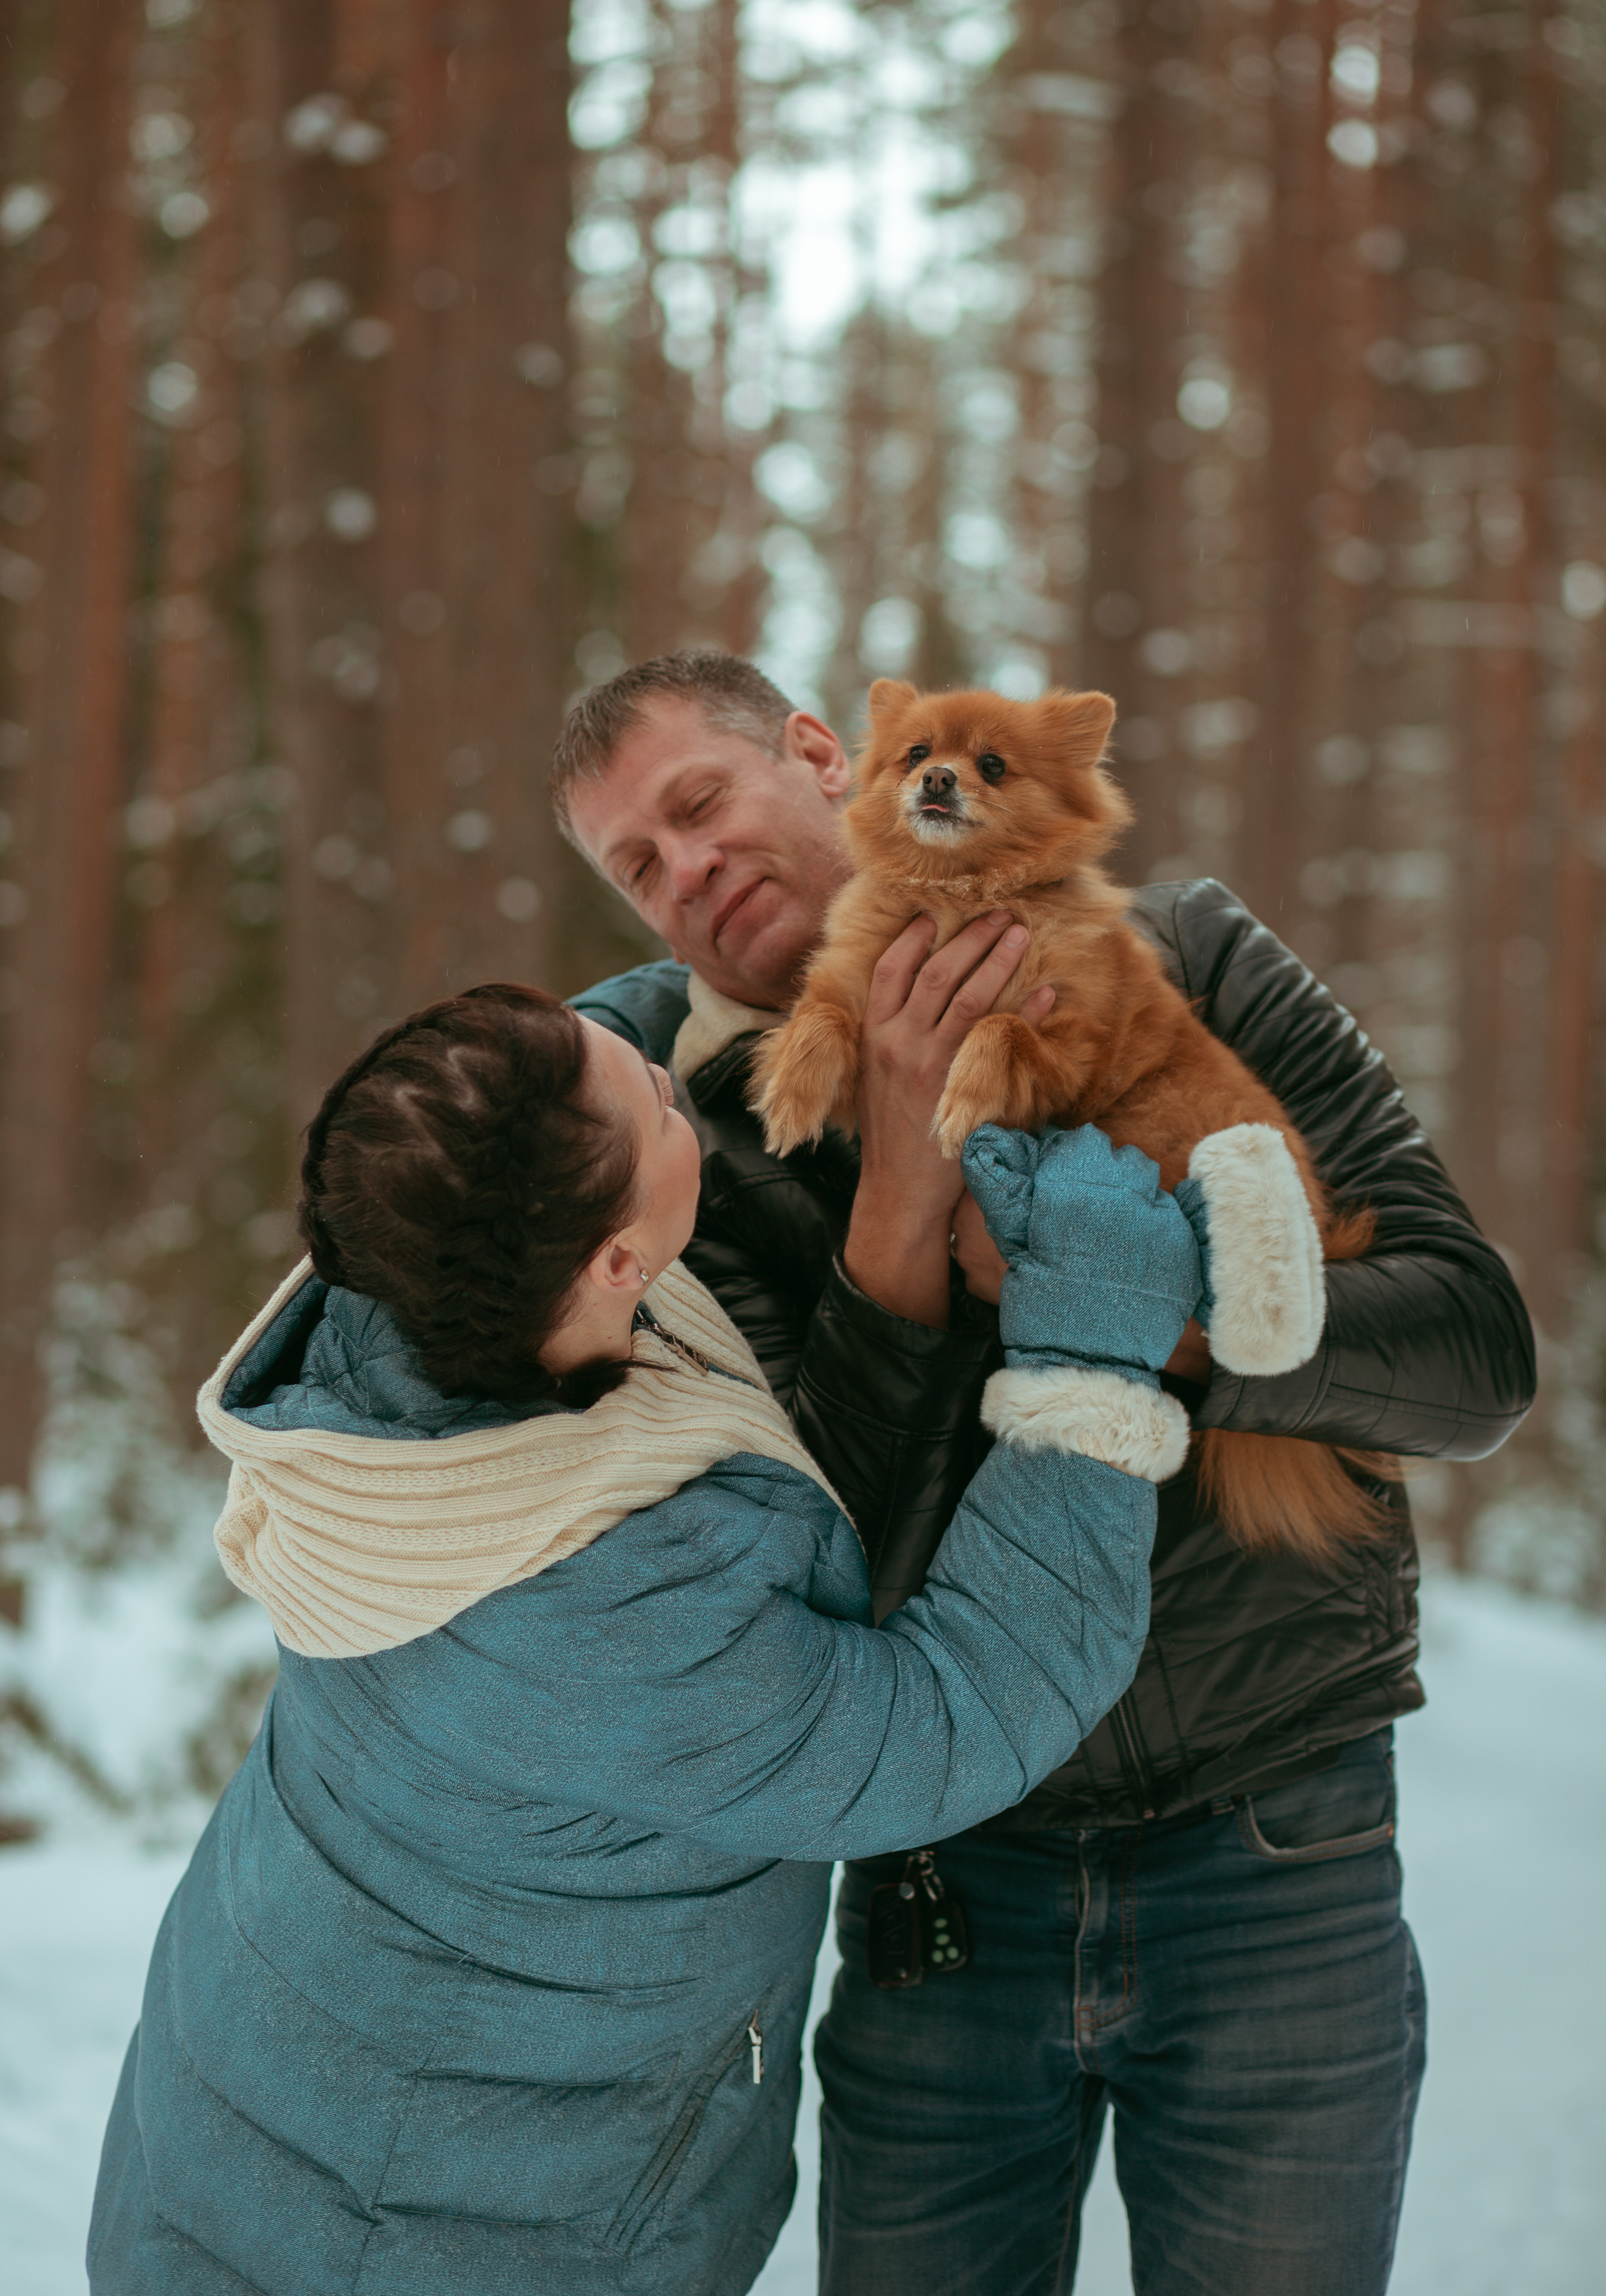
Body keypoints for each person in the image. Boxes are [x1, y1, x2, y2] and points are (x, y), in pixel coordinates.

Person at [552, 647, 1538, 2296]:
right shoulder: (676, 1146)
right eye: (638, 867)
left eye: (700, 804)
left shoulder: (1194, 957)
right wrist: (895, 1192)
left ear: (817, 752)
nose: (690, 872)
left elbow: (1471, 1352)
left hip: (1276, 1855)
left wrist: (1149, 1307)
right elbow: (814, 1560)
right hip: (945, 1893)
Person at [88, 980, 1216, 2296]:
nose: (655, 1066)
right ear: (619, 1264)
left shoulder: (428, 1279)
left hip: (267, 2116)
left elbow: (521, 1101)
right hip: (434, 2241)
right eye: (661, 1100)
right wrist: (1091, 1354)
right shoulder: (595, 1619)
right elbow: (952, 1713)